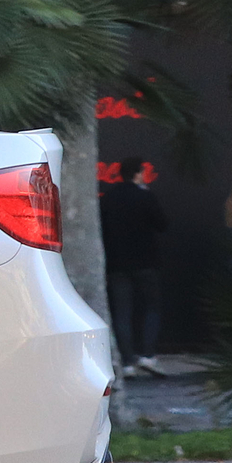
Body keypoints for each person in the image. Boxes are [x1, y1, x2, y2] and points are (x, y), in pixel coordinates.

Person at [100, 158, 168, 378]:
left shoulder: (108, 198)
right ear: (139, 173)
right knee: (152, 307)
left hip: (117, 263)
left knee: (122, 312)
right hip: (145, 262)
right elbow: (162, 224)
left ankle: (127, 361)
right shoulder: (144, 196)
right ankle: (147, 355)